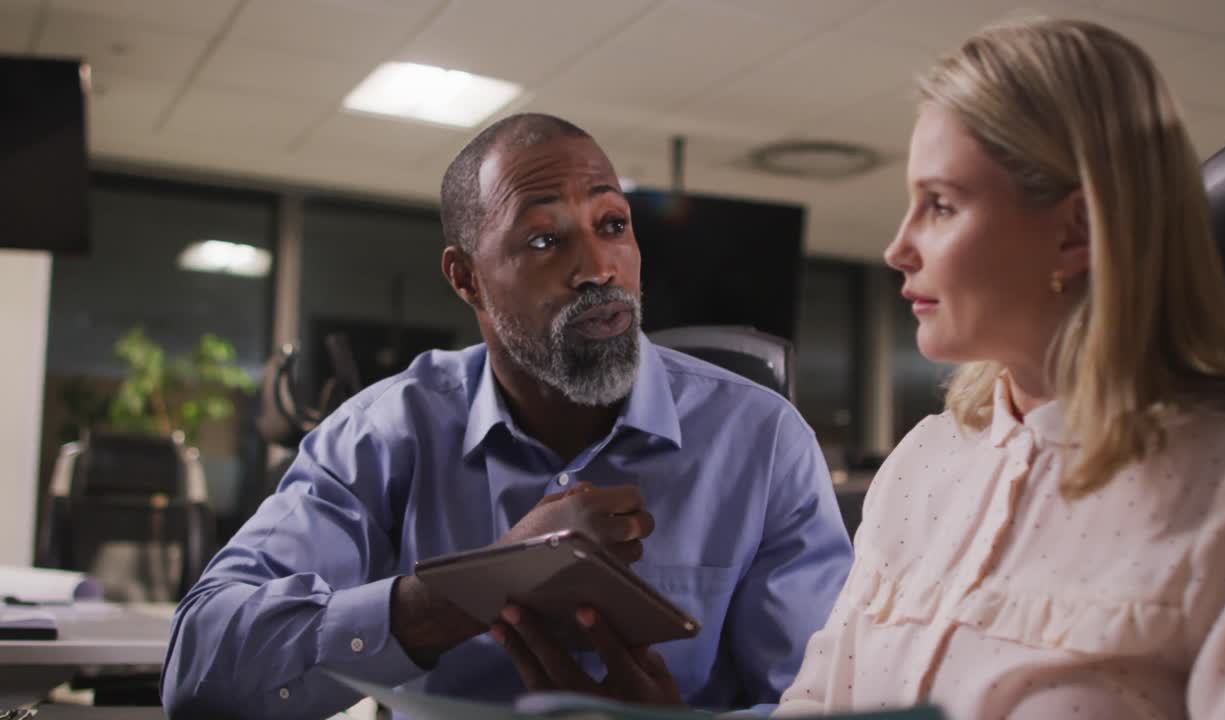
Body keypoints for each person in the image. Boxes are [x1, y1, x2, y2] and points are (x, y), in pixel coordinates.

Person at [160, 113, 853, 719]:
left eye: (613, 225)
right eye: (546, 241)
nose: (598, 268)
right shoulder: (387, 432)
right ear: (466, 278)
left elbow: (834, 698)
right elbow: (200, 667)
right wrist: (484, 584)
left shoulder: (762, 441)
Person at [770, 18, 1225, 719]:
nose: (898, 247)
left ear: (1075, 231)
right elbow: (814, 700)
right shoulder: (921, 464)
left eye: (941, 205)